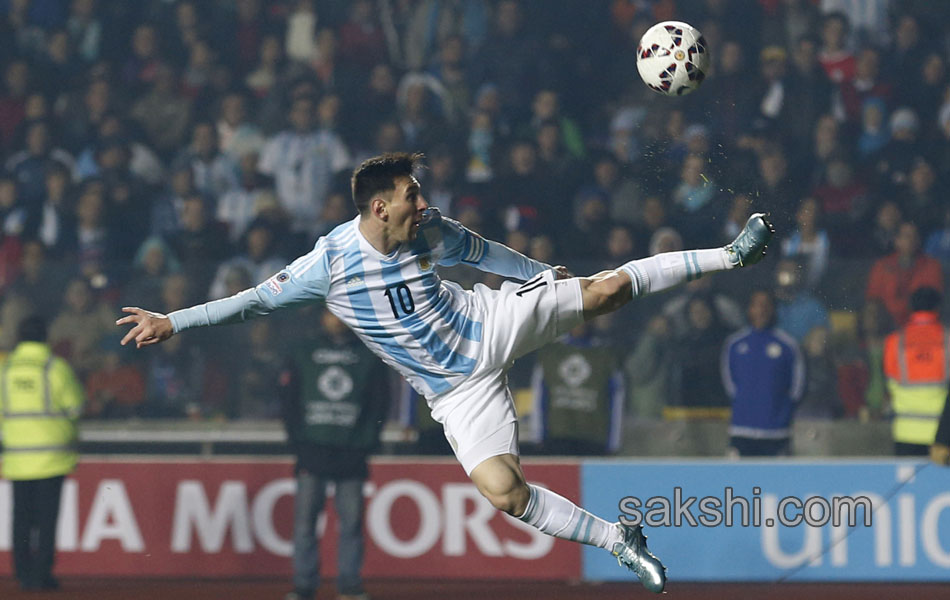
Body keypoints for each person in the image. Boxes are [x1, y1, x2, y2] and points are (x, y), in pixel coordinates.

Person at [117, 152, 775, 594]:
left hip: (490, 322)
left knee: (603, 291)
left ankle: (731, 255)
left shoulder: (429, 229)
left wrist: (540, 276)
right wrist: (175, 320)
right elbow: (254, 301)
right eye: (410, 194)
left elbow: (484, 253)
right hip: (456, 392)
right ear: (380, 208)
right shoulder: (330, 263)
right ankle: (618, 539)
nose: (422, 200)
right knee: (503, 493)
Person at [279, 307, 389, 600]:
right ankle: (304, 586)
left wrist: (367, 441)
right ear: (322, 317)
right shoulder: (303, 350)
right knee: (304, 524)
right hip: (311, 449)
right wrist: (298, 443)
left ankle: (350, 585)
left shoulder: (369, 353)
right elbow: (289, 401)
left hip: (352, 452)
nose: (335, 320)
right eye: (330, 313)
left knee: (351, 523)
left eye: (340, 313)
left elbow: (380, 401)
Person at [0, 315, 84, 591]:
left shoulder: (6, 369)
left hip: (17, 457)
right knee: (47, 521)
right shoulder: (55, 368)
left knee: (21, 519)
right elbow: (75, 407)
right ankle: (41, 575)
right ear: (45, 337)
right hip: (52, 458)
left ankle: (23, 574)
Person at [721, 289, 805, 457]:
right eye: (756, 305)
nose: (761, 310)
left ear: (773, 309)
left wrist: (780, 413)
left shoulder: (788, 345)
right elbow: (730, 385)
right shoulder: (734, 344)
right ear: (749, 309)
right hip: (741, 431)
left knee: (778, 482)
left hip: (777, 433)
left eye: (766, 305)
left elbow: (797, 388)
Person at [883, 287, 949, 456]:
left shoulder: (895, 341)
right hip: (943, 435)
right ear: (938, 308)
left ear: (911, 307)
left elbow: (890, 383)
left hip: (906, 431)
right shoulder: (947, 339)